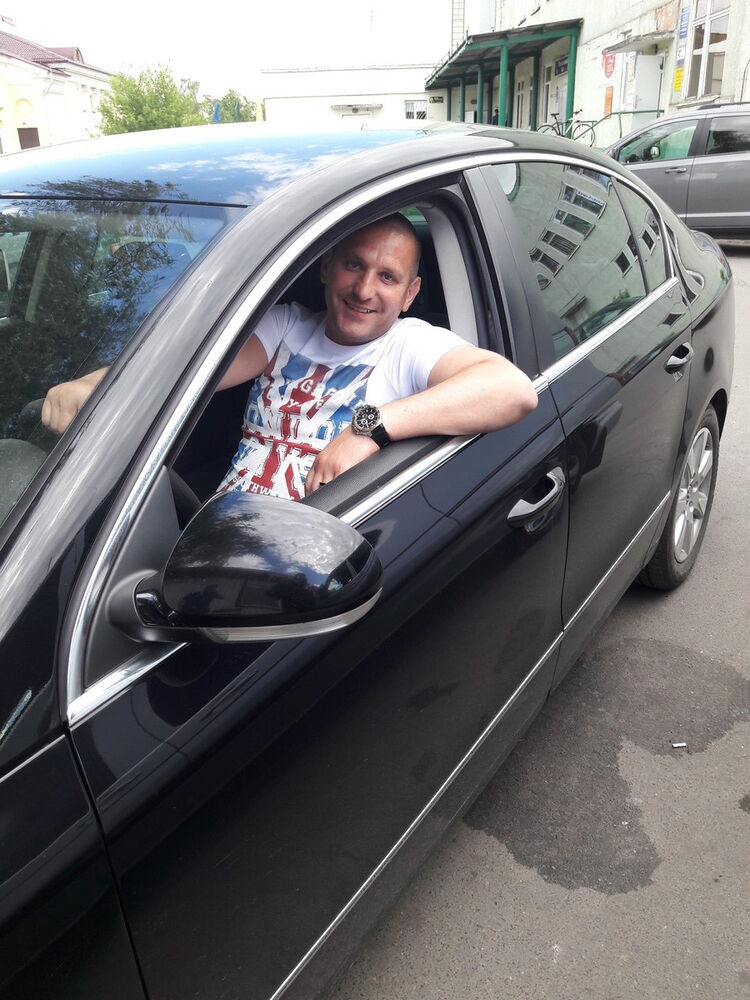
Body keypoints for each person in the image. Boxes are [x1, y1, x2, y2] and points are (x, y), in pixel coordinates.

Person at [42, 214, 537, 500]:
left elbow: (512, 390)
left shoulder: (409, 343)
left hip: (308, 567)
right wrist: (97, 384)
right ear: (326, 268)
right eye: (353, 265)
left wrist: (367, 428)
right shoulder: (285, 325)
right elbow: (187, 367)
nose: (364, 289)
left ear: (410, 294)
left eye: (388, 277)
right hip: (222, 530)